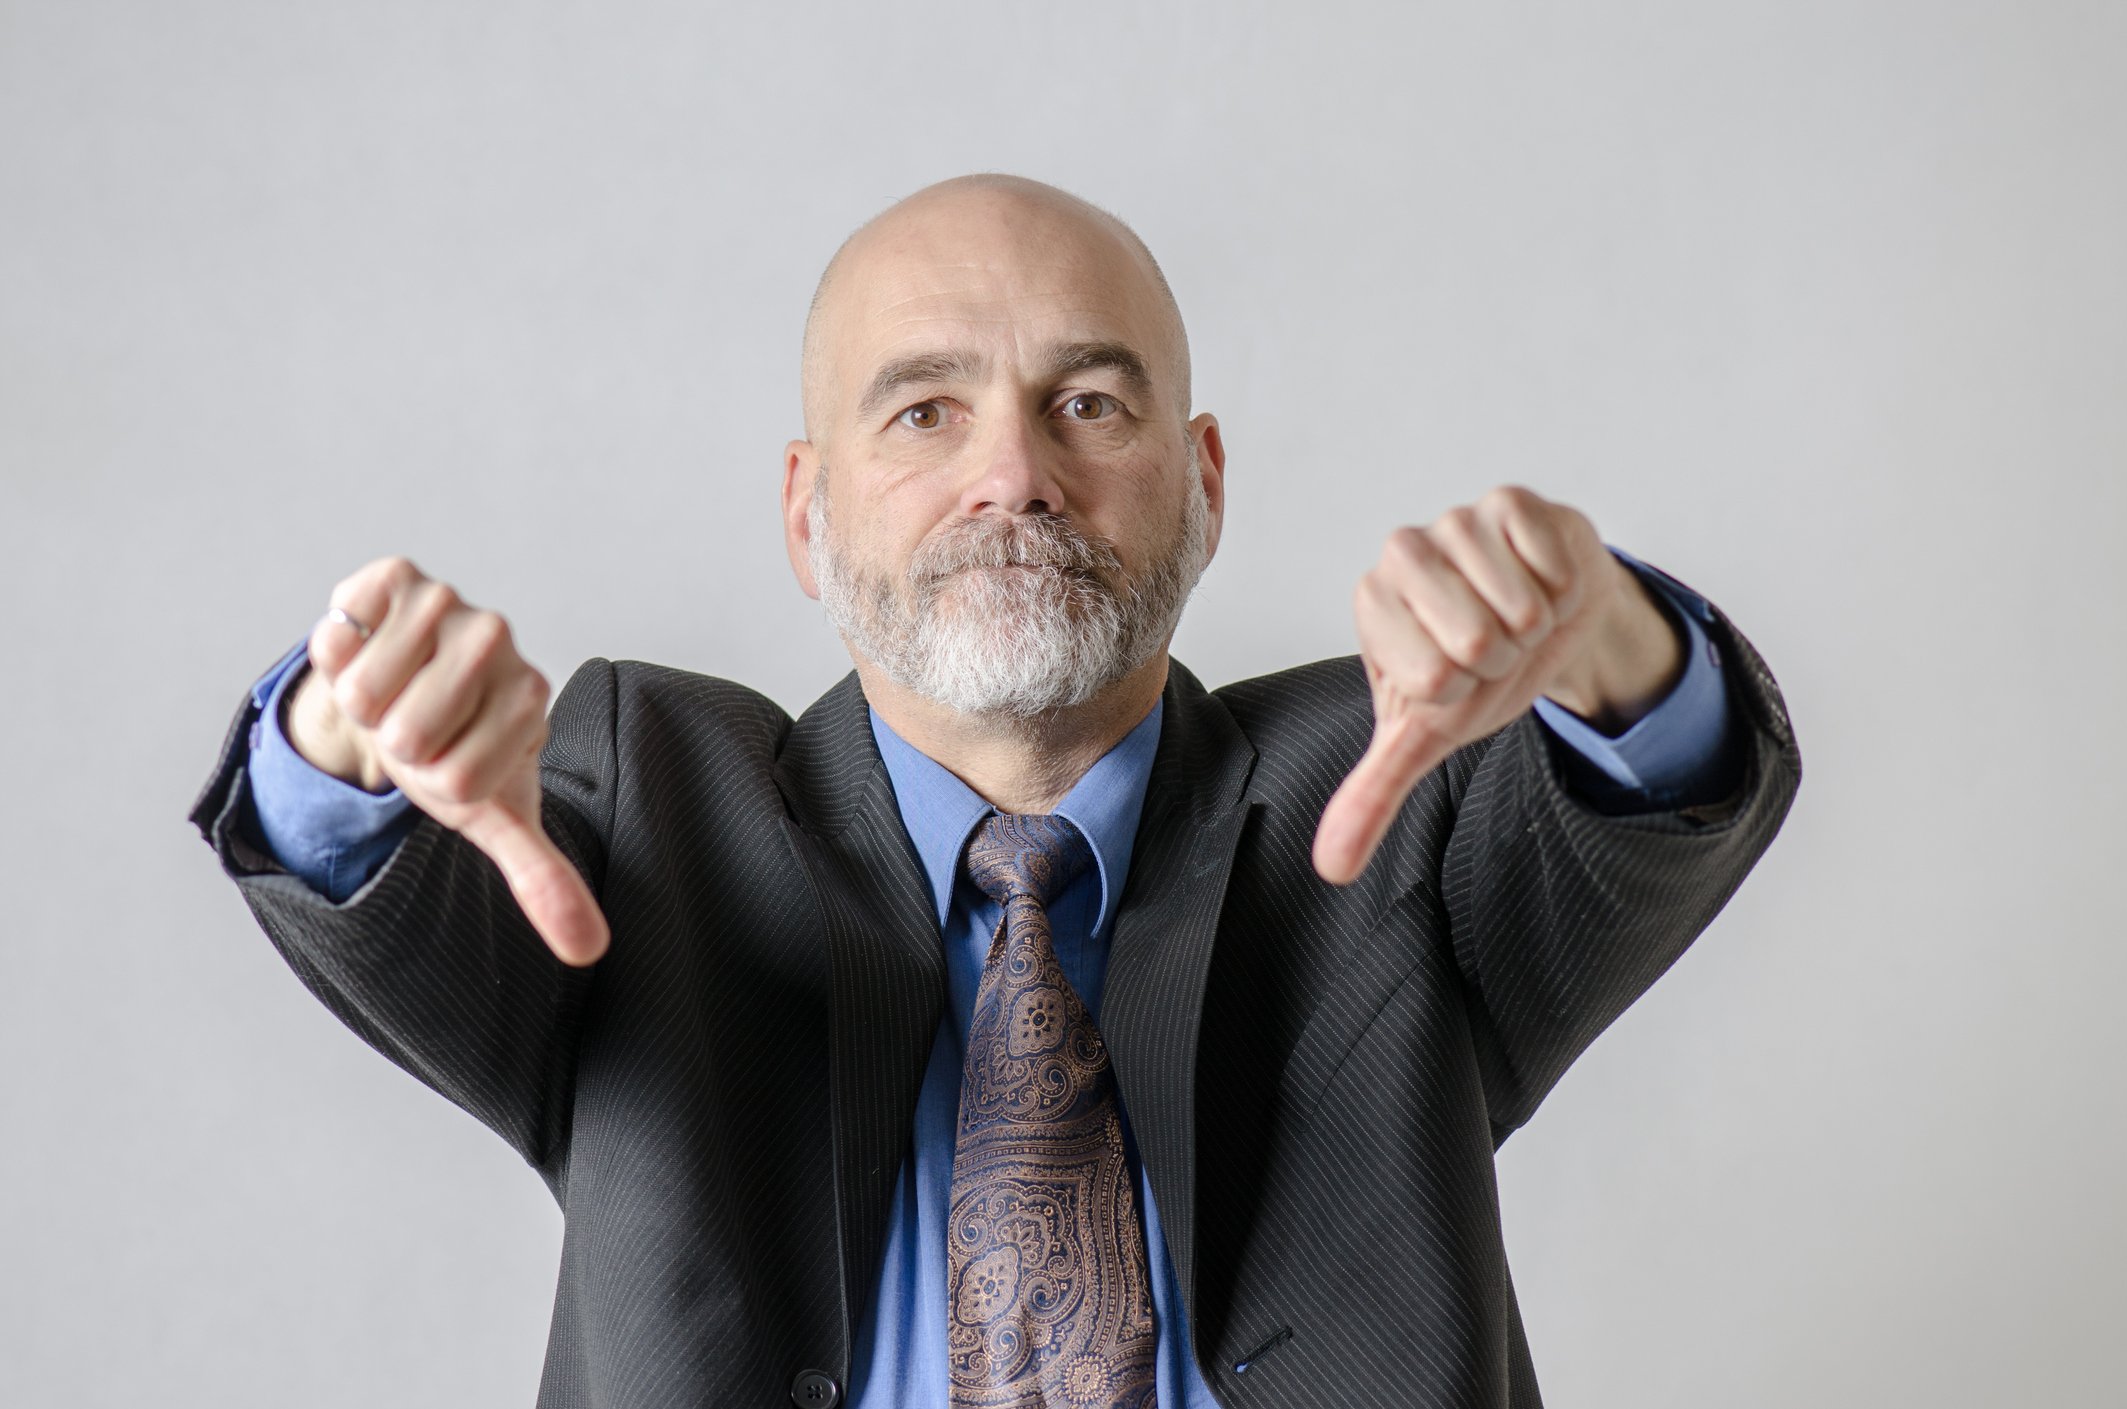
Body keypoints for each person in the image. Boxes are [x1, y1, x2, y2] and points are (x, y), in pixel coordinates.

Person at [189, 173, 1801, 1409]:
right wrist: (352, 736)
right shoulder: (648, 799)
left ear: (1205, 482)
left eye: (1089, 403)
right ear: (808, 515)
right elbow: (376, 895)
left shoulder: (1391, 800)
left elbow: (1651, 798)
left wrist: (1608, 638)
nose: (1014, 472)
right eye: (925, 408)